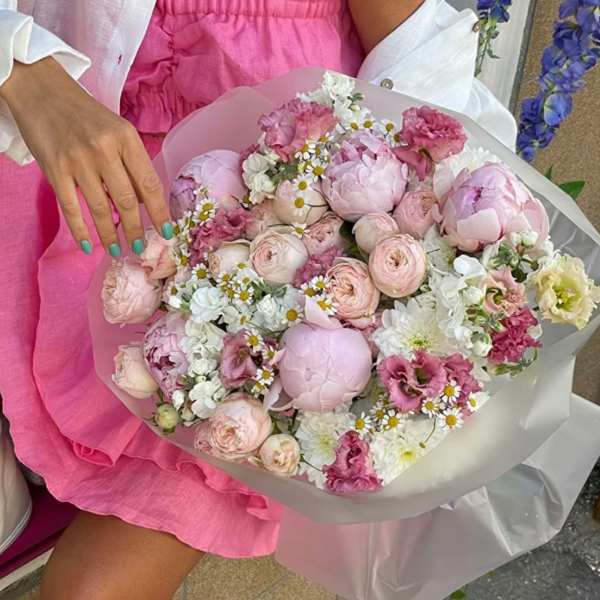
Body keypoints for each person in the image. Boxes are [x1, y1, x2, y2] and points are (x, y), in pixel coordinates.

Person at [0, 1, 516, 598]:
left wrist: (448, 246)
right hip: (43, 170)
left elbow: (421, 58)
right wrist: (21, 67)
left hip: (247, 291)